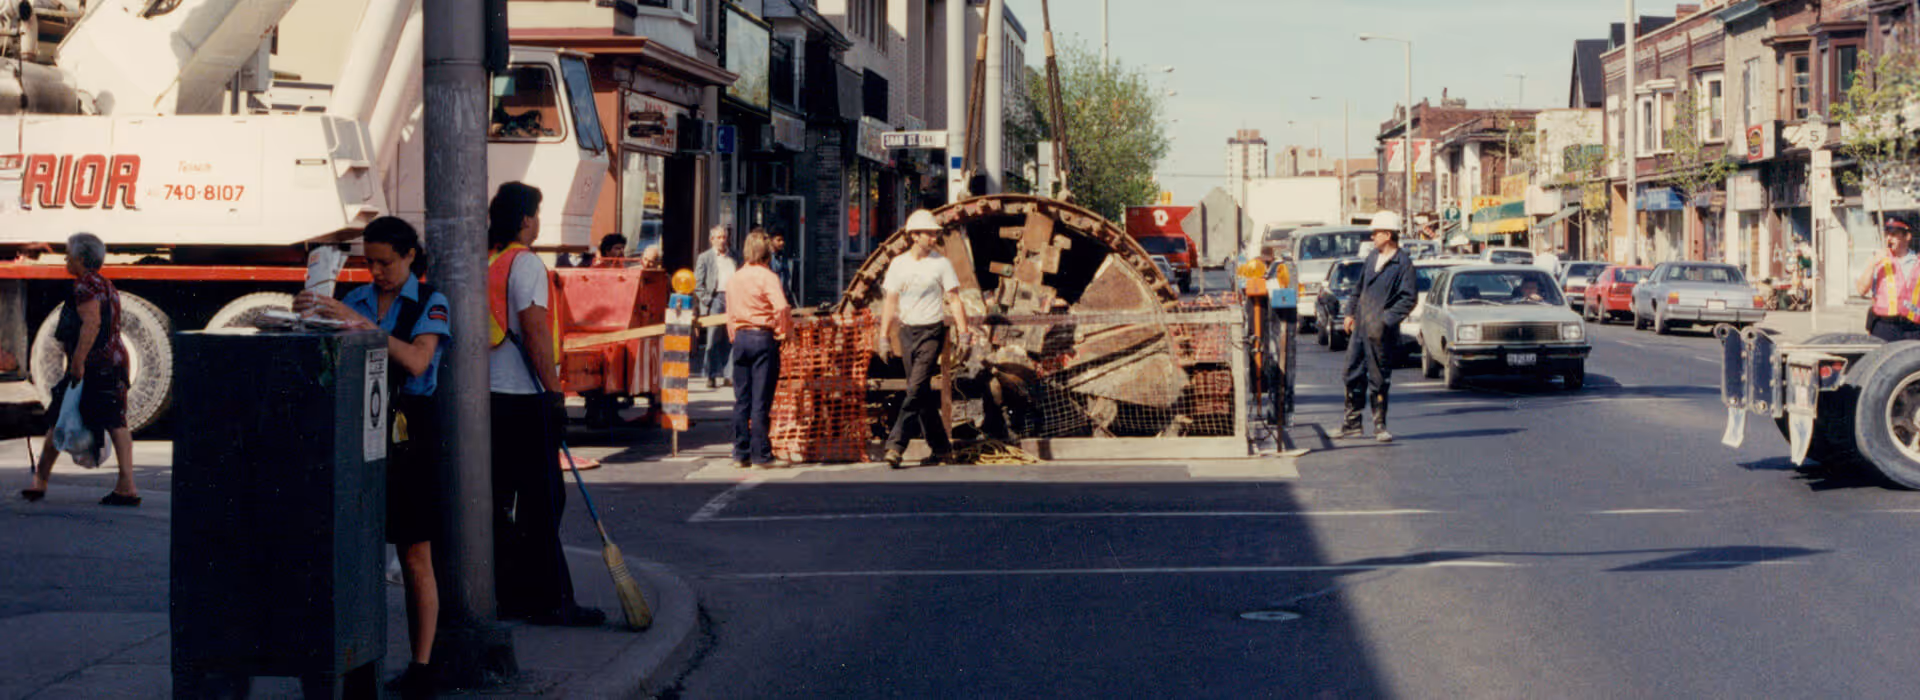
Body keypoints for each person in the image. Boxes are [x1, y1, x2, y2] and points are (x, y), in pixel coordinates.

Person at [294, 217, 449, 695]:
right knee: (354, 550)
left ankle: (422, 665)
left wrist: (355, 323)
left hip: (408, 431)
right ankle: (355, 657)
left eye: (386, 263)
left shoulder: (429, 302)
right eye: (369, 263)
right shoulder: (355, 298)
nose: (377, 272)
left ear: (409, 258)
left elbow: (419, 360)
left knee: (415, 552)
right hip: (354, 425)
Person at [485, 182, 604, 627]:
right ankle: (553, 600)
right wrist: (555, 395)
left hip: (492, 400)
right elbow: (535, 333)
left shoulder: (491, 263)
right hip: (525, 397)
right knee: (544, 502)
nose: (538, 222)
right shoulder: (527, 264)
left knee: (505, 503)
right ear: (524, 220)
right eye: (535, 213)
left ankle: (511, 595)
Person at [20, 233, 138, 506]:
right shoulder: (105, 284)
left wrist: (78, 361)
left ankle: (40, 482)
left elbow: (91, 323)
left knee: (60, 417)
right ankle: (125, 485)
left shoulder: (84, 285)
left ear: (81, 259)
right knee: (116, 421)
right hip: (115, 360)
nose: (65, 258)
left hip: (96, 364)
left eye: (69, 254)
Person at [879, 209, 973, 468]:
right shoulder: (899, 264)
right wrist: (884, 337)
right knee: (920, 394)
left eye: (934, 233)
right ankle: (942, 449)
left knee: (915, 388)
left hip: (932, 332)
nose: (934, 237)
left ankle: (895, 446)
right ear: (914, 236)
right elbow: (890, 301)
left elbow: (954, 300)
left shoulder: (941, 264)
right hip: (907, 332)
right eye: (929, 234)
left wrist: (964, 335)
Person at [1339, 211, 1417, 443]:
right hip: (1362, 327)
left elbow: (1408, 299)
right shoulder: (1372, 258)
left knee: (1378, 377)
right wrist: (1350, 312)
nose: (1372, 236)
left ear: (1388, 234)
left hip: (1381, 332)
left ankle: (1379, 425)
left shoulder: (1402, 264)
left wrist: (1386, 320)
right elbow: (1358, 288)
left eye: (1376, 232)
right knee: (1351, 373)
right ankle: (1352, 423)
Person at [726, 231, 795, 469]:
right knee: (761, 400)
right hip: (762, 337)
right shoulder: (767, 277)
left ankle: (740, 452)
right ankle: (761, 454)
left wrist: (734, 336)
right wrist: (785, 332)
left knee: (741, 399)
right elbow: (782, 308)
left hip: (741, 338)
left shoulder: (736, 277)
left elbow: (730, 313)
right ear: (767, 252)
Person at [1857, 217, 1920, 341]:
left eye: (1894, 234)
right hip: (1885, 327)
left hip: (1913, 328)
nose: (1889, 239)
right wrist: (1872, 264)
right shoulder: (1879, 261)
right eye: (1887, 234)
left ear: (1907, 237)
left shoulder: (1917, 262)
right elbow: (1861, 290)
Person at [694, 226, 739, 389]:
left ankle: (729, 375)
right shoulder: (704, 258)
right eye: (719, 237)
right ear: (711, 239)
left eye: (724, 237)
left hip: (732, 298)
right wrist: (708, 300)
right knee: (713, 339)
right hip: (716, 298)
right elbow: (697, 284)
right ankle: (710, 375)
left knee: (731, 338)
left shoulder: (734, 256)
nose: (722, 241)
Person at [769, 230, 795, 303]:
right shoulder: (768, 257)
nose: (782, 243)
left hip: (782, 294)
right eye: (778, 240)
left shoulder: (783, 256)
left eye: (783, 240)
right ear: (771, 240)